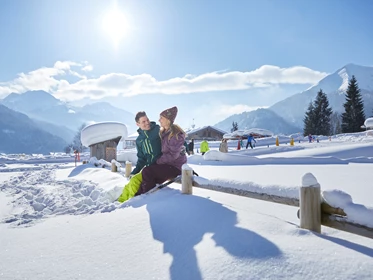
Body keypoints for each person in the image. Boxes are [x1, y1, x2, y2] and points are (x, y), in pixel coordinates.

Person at [135, 106, 187, 196]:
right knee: (147, 176)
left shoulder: (175, 134)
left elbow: (173, 155)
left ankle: (147, 197)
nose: (159, 120)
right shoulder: (163, 132)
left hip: (175, 167)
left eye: (161, 118)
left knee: (148, 171)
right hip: (167, 165)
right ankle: (137, 196)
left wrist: (157, 161)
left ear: (168, 120)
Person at [117, 111, 162, 202]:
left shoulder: (158, 131)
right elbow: (142, 159)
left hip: (160, 166)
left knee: (135, 182)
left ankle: (129, 202)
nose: (147, 123)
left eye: (147, 120)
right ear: (138, 124)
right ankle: (120, 201)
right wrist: (134, 172)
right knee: (131, 181)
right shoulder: (139, 140)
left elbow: (171, 138)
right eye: (143, 122)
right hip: (150, 168)